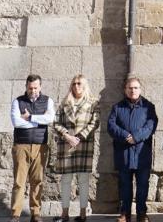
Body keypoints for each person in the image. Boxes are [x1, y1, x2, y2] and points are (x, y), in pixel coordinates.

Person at [108, 75, 158, 222]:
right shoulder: (117, 107)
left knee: (143, 185)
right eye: (130, 88)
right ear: (125, 90)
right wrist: (125, 135)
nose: (133, 90)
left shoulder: (149, 107)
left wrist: (136, 136)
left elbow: (151, 126)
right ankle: (125, 214)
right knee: (124, 186)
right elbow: (111, 126)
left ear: (140, 89)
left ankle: (141, 213)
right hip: (123, 153)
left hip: (142, 153)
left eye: (135, 87)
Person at [52, 74, 100, 222]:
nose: (76, 86)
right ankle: (64, 213)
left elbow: (94, 123)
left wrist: (79, 137)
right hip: (66, 146)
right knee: (66, 180)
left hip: (83, 145)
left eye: (79, 83)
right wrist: (66, 136)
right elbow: (56, 122)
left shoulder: (93, 103)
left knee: (83, 180)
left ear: (85, 85)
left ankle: (83, 213)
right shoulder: (65, 103)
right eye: (73, 84)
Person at [10, 74, 55, 222]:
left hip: (40, 145)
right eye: (30, 88)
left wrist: (30, 118)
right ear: (26, 87)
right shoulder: (18, 101)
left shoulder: (48, 101)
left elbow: (49, 119)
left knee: (37, 180)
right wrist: (38, 120)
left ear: (40, 87)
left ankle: (35, 213)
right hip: (21, 145)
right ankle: (15, 214)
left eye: (35, 87)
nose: (33, 90)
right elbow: (16, 122)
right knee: (19, 181)